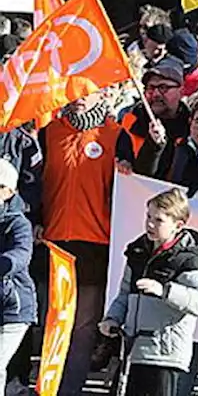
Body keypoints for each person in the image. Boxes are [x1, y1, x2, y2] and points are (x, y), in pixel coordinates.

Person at [35, 91, 123, 395]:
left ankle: (69, 390)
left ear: (104, 93)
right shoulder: (50, 132)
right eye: (74, 89)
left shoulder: (115, 134)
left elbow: (133, 185)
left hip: (96, 244)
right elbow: (35, 181)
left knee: (83, 328)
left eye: (87, 91)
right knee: (54, 322)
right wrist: (36, 218)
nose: (79, 97)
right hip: (54, 241)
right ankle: (46, 387)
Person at [100, 189, 198, 396]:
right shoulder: (138, 251)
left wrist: (165, 290)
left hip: (165, 355)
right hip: (133, 350)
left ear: (178, 225)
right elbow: (125, 293)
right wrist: (113, 318)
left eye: (159, 220)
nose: (150, 224)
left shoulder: (187, 259)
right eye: (148, 217)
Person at [117, 58, 193, 176]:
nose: (156, 94)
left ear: (181, 91)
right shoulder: (129, 121)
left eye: (163, 88)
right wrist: (123, 161)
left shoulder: (193, 126)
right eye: (151, 88)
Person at [0, 160, 35, 391]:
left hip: (14, 307)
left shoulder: (18, 223)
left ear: (9, 191)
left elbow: (21, 254)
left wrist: (5, 263)